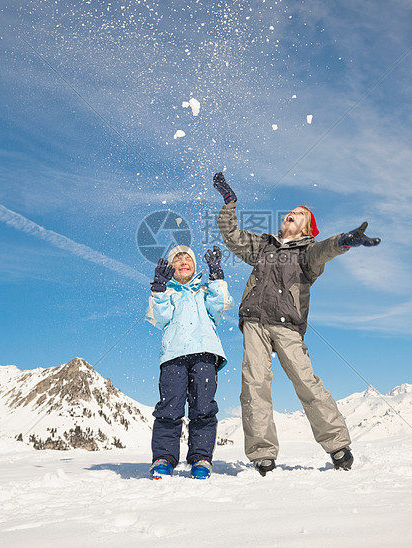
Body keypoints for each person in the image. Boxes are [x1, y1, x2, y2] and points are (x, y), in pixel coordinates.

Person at [213, 172, 380, 474]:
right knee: (254, 385)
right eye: (291, 211)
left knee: (306, 381)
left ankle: (338, 445)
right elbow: (233, 236)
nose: (292, 213)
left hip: (287, 326)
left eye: (300, 214)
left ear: (307, 228)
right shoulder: (264, 246)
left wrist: (344, 241)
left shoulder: (308, 254)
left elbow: (324, 250)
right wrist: (229, 203)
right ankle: (263, 453)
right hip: (254, 321)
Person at [146, 244, 234, 479]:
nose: (184, 262)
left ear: (195, 267)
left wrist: (216, 277)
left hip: (205, 355)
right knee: (169, 407)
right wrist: (159, 289)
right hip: (174, 356)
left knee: (203, 408)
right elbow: (160, 316)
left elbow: (220, 306)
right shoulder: (168, 293)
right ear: (170, 268)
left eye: (188, 259)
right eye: (178, 259)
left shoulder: (205, 292)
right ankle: (163, 458)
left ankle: (201, 458)